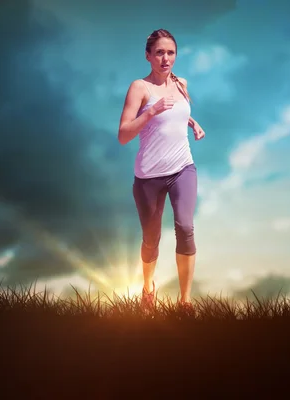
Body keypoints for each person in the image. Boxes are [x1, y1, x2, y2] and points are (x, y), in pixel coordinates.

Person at [118, 29, 206, 315]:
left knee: (185, 226)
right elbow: (123, 135)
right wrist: (151, 112)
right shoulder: (139, 88)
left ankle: (185, 302)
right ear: (148, 56)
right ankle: (147, 289)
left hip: (182, 168)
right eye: (159, 52)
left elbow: (177, 110)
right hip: (149, 177)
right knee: (151, 240)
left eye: (170, 52)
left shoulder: (181, 83)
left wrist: (192, 122)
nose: (165, 58)